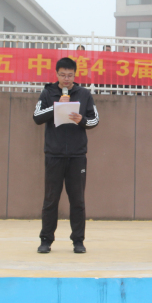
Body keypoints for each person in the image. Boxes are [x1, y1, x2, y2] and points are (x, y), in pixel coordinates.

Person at [32, 57, 100, 254]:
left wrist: (81, 120)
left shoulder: (84, 94)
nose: (66, 79)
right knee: (51, 200)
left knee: (77, 200)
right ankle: (46, 240)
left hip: (77, 155)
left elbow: (94, 120)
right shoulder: (48, 93)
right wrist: (57, 106)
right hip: (54, 154)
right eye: (62, 75)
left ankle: (78, 241)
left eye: (70, 75)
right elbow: (37, 117)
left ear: (75, 75)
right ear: (57, 74)